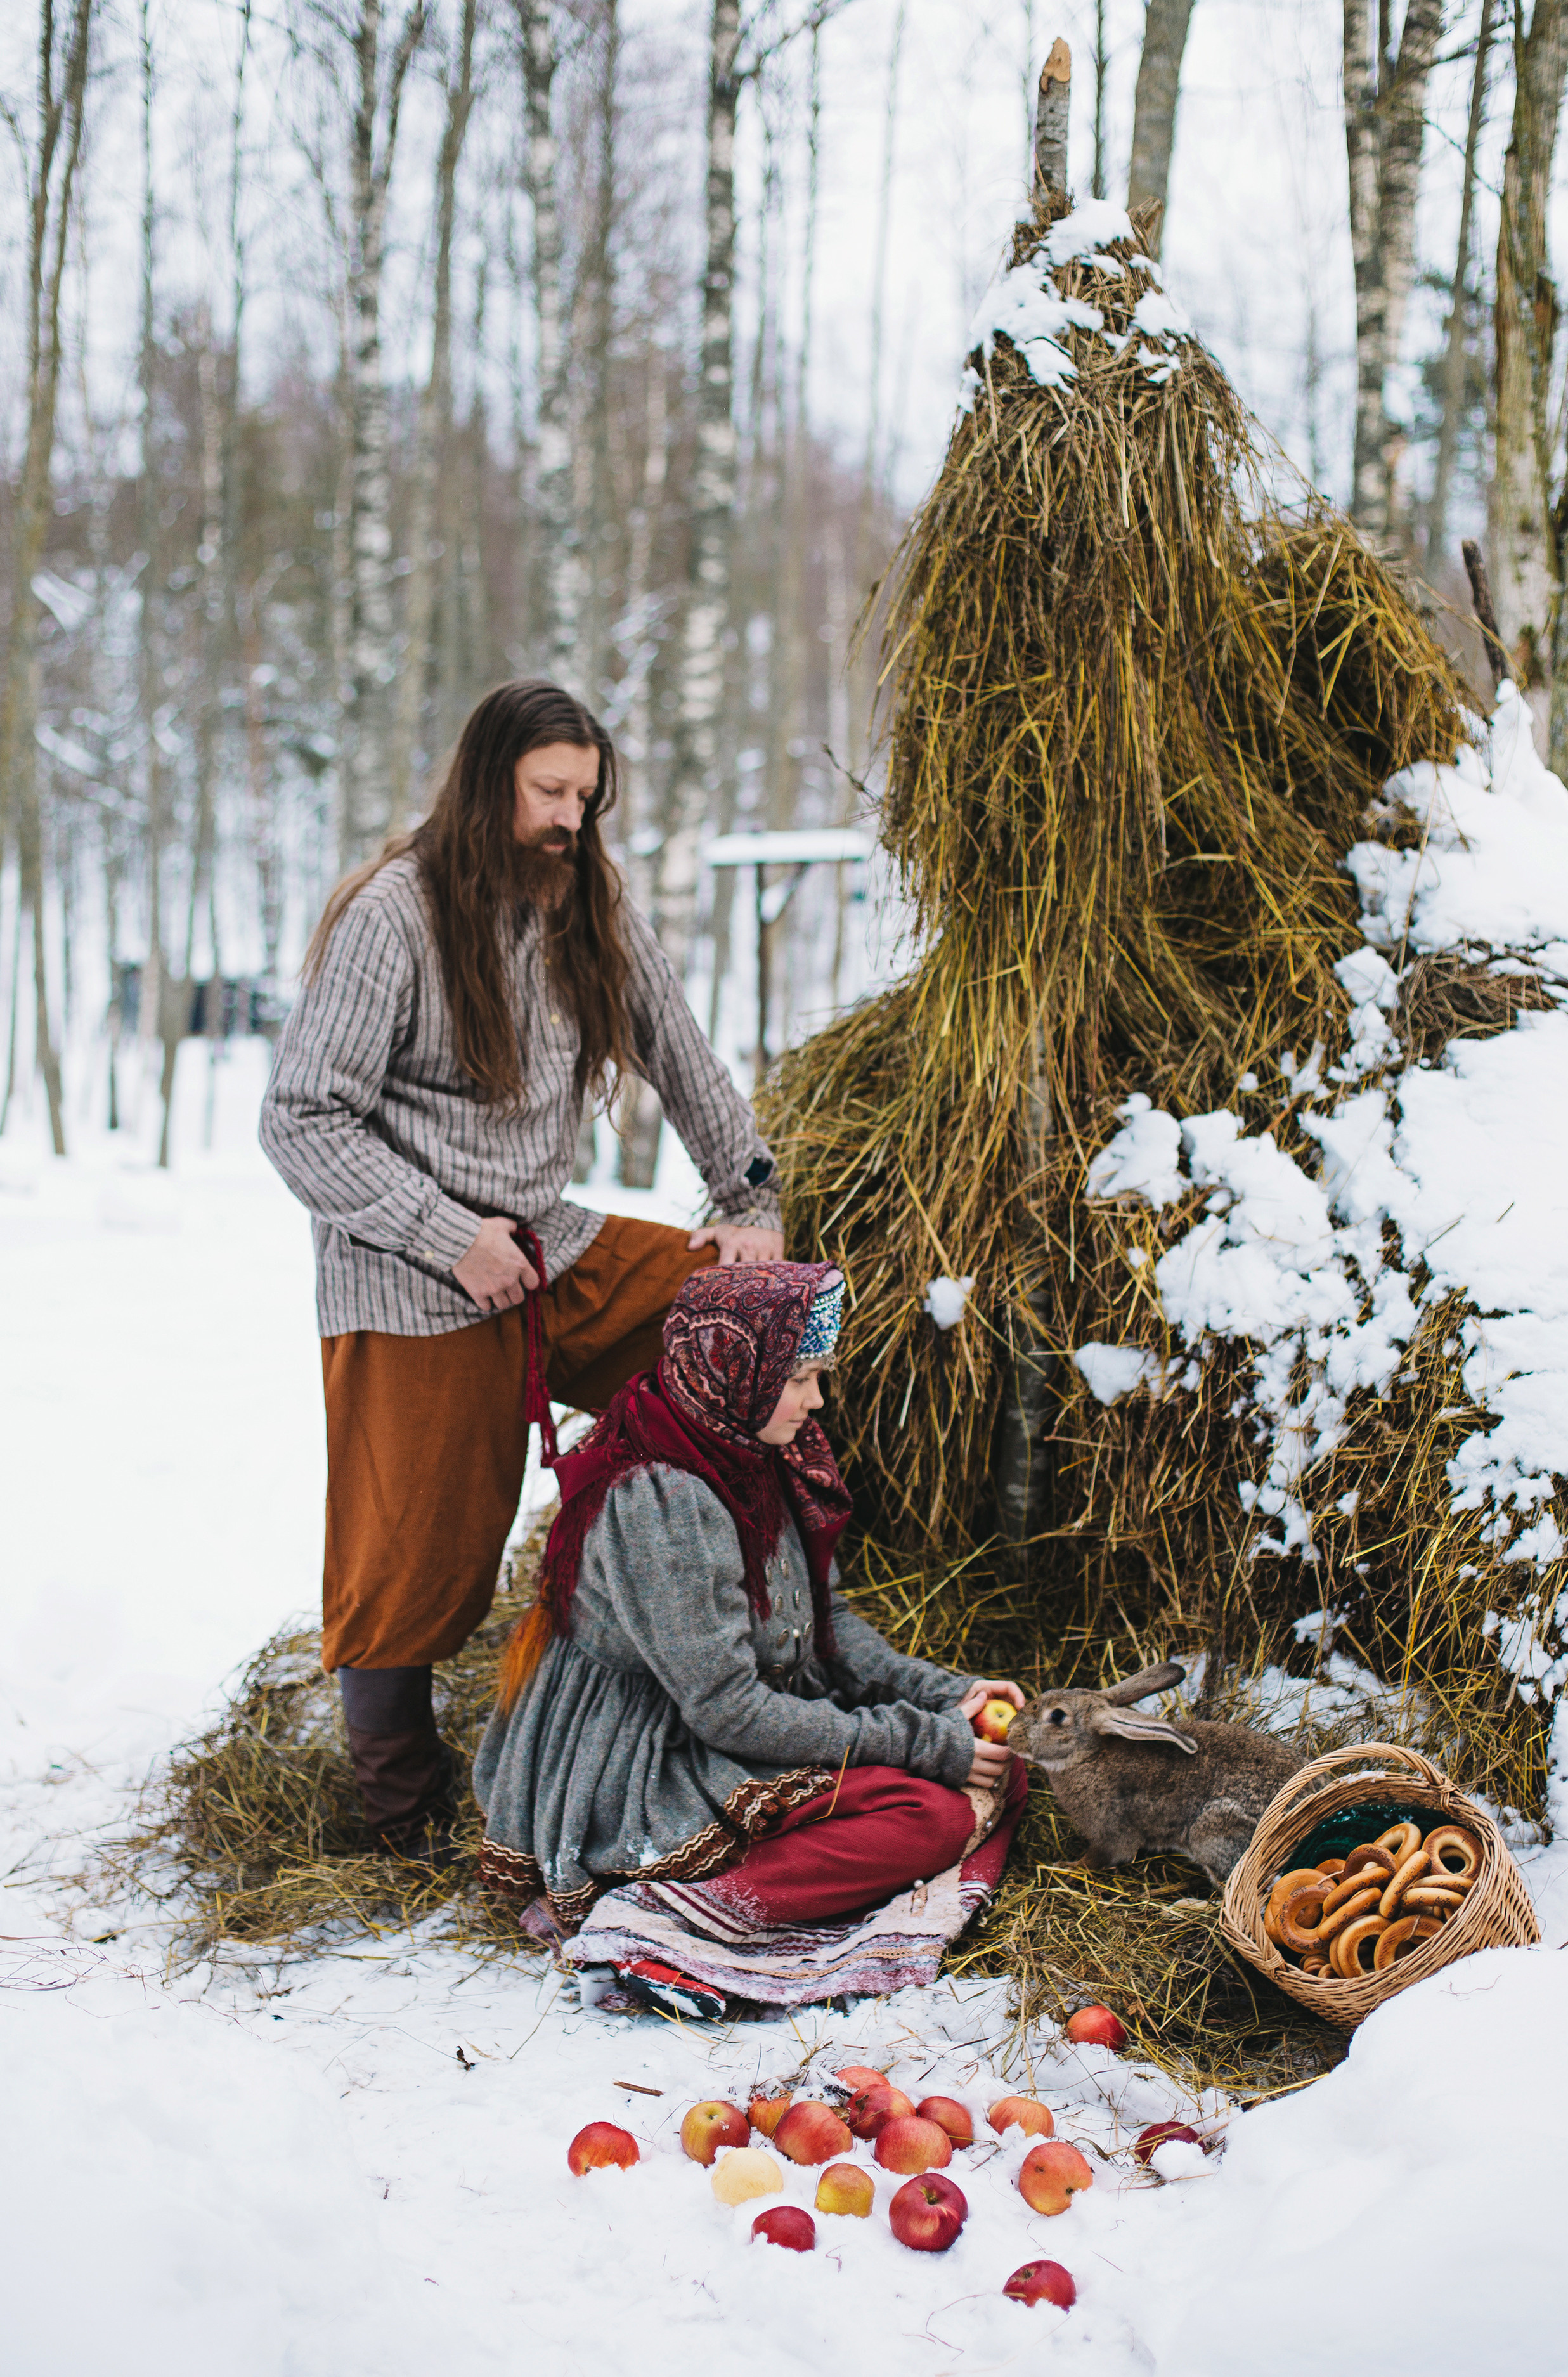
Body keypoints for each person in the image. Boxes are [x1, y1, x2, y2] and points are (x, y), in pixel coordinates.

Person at [259, 680, 783, 1857]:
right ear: (488, 779)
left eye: (586, 797)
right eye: (549, 791)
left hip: (550, 1239)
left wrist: (750, 1200)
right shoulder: (392, 913)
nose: (569, 818)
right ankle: (395, 1809)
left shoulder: (583, 896)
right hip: (408, 1271)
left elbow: (680, 1048)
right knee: (415, 1549)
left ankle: (727, 1655)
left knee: (748, 1331)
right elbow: (301, 1118)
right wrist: (450, 1234)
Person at [473, 1260, 1027, 2014]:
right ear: (736, 1367)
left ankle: (764, 1880)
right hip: (646, 1756)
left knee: (993, 1771)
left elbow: (822, 1627)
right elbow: (726, 1709)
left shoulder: (751, 1451)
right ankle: (658, 1918)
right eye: (799, 1377)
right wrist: (921, 1741)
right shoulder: (663, 1498)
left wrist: (943, 1695)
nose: (816, 1399)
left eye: (817, 1374)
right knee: (931, 1812)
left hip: (733, 1714)